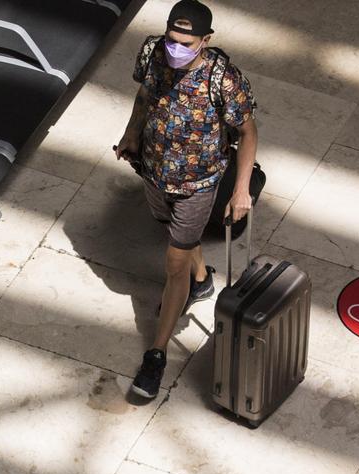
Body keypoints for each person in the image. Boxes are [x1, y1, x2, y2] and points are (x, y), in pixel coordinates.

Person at [115, 0, 259, 400]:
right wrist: (131, 133)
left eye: (186, 42)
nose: (175, 48)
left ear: (205, 41)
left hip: (199, 184)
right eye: (171, 39)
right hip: (153, 171)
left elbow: (247, 133)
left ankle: (156, 355)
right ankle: (201, 281)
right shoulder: (153, 52)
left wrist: (241, 189)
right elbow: (145, 95)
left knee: (173, 262)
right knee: (179, 240)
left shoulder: (221, 78)